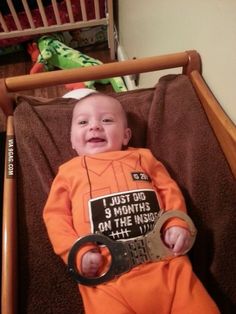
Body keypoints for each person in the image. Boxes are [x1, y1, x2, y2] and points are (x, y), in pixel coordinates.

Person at [43, 91, 220, 314]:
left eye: (106, 120)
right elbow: (56, 217)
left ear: (126, 136)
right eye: (83, 122)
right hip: (105, 276)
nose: (95, 126)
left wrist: (176, 223)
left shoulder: (143, 158)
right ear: (72, 142)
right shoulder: (68, 172)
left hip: (165, 262)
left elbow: (169, 190)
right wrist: (76, 252)